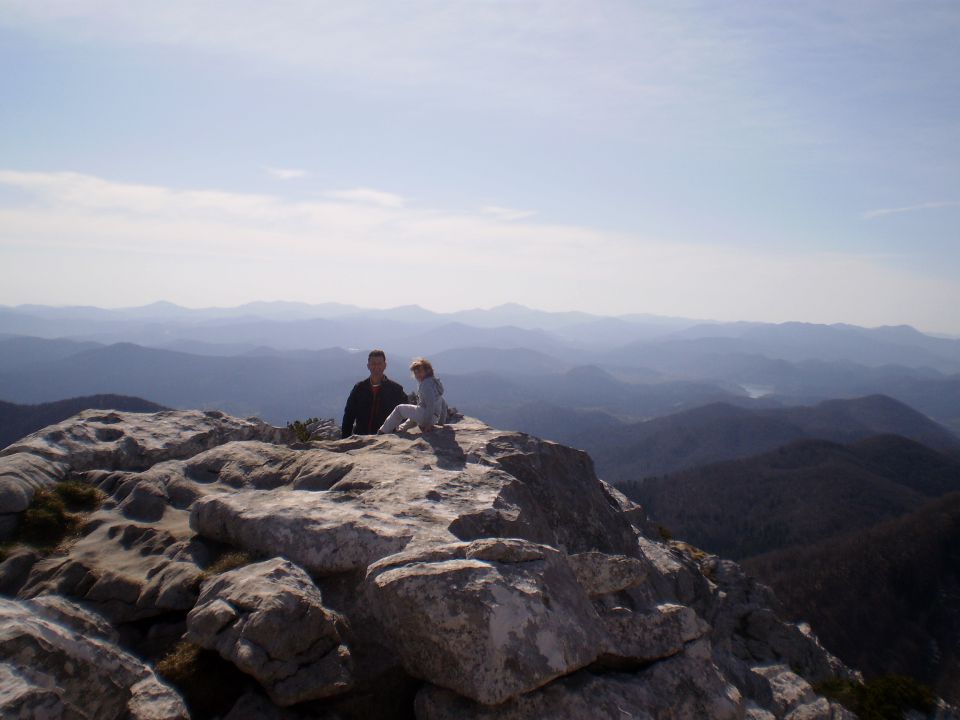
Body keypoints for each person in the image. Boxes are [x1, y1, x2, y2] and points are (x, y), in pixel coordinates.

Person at [341, 349, 408, 437]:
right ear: (368, 366)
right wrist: (345, 439)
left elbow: (406, 414)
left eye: (379, 363)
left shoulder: (396, 390)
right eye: (373, 363)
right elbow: (349, 416)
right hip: (361, 439)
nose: (376, 366)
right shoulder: (359, 388)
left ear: (385, 365)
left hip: (386, 441)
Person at [378, 357, 448, 434]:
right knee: (413, 416)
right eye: (415, 372)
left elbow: (430, 405)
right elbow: (443, 404)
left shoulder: (426, 385)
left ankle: (383, 431)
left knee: (399, 409)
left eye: (420, 371)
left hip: (427, 417)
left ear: (427, 371)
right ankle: (400, 430)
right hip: (433, 417)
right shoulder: (434, 382)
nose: (417, 375)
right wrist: (441, 423)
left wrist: (427, 425)